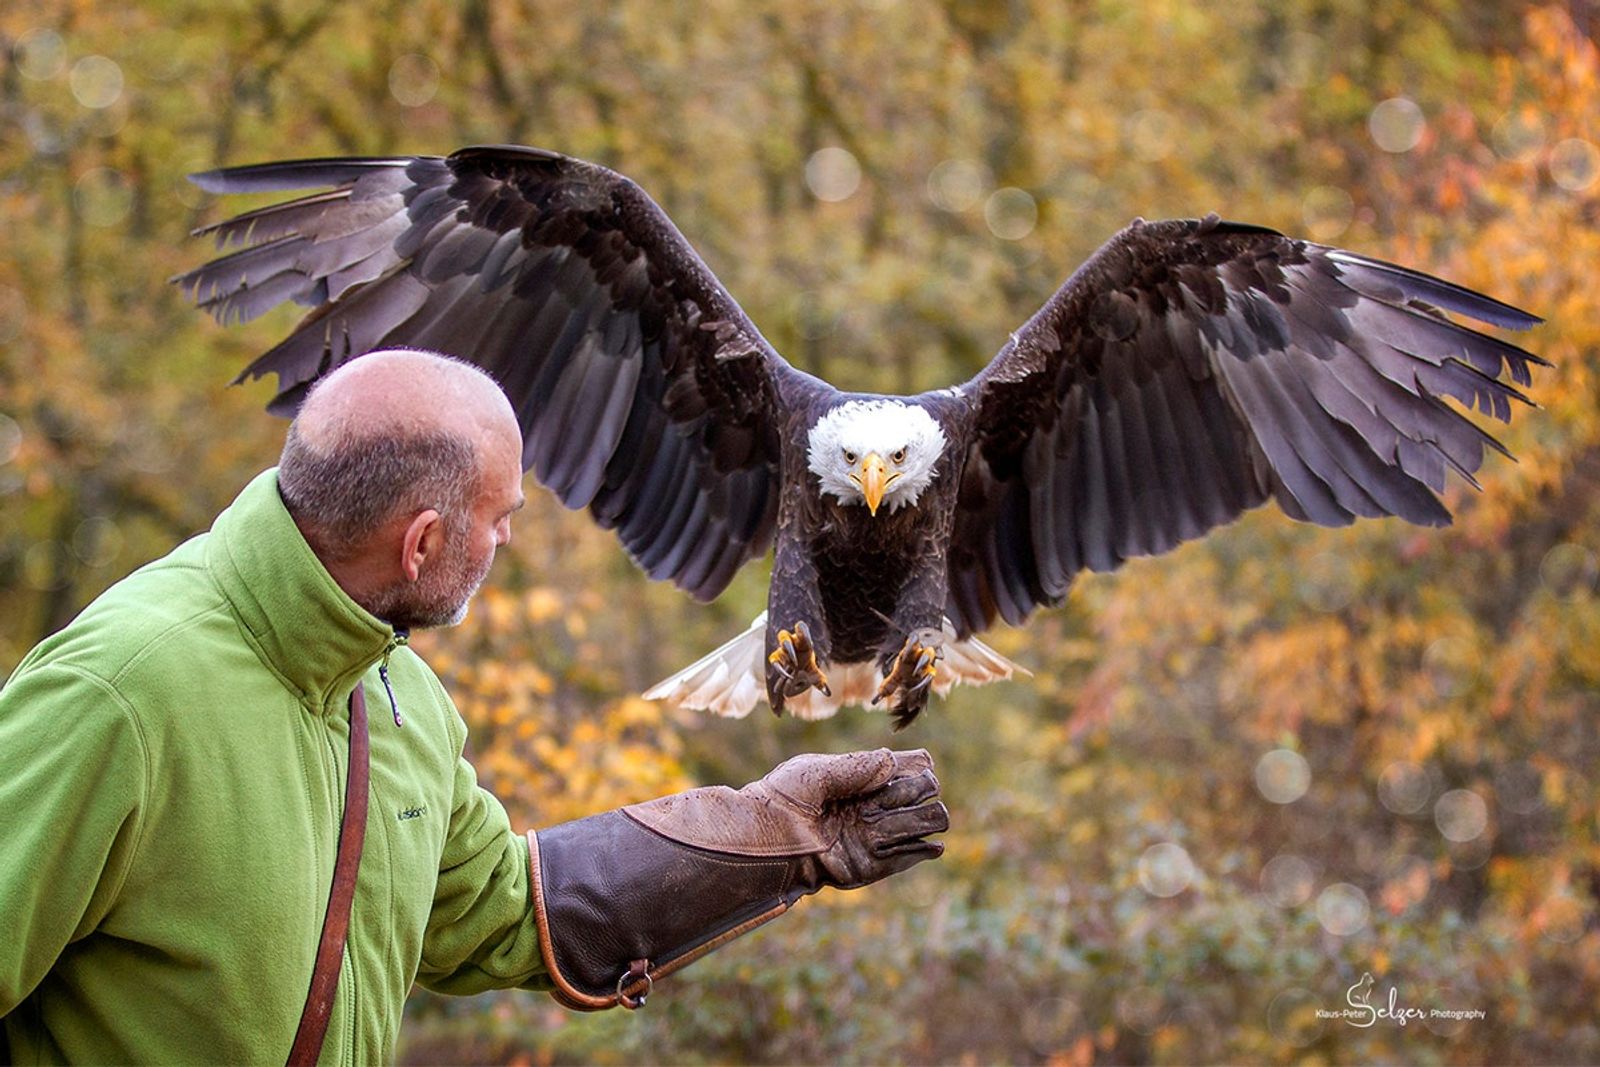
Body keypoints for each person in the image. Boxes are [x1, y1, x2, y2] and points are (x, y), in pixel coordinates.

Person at [0, 350, 948, 1064]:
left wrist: (771, 831)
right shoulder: (119, 692)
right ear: (420, 544)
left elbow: (498, 908)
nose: (505, 542)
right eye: (500, 519)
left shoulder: (399, 690)